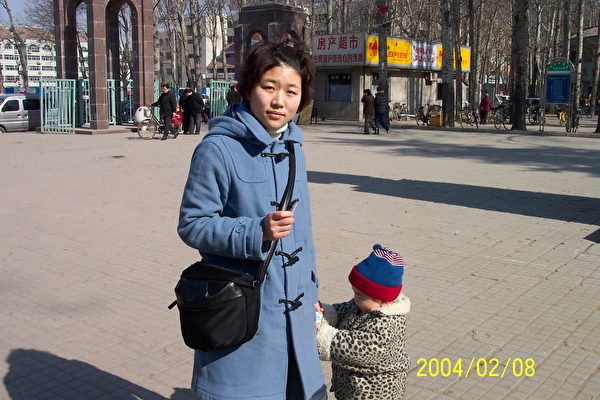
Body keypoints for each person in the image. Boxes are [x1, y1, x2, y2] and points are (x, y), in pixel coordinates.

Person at [177, 37, 327, 400]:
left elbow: (303, 233)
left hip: (296, 313)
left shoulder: (294, 148)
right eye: (269, 87)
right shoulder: (218, 149)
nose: (279, 101)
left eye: (291, 91)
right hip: (245, 311)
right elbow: (192, 224)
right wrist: (255, 231)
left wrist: (312, 291)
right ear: (248, 89)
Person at [316, 244, 410, 400]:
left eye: (360, 296)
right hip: (351, 391)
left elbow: (347, 347)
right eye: (354, 292)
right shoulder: (363, 305)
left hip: (375, 394)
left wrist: (320, 334)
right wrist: (324, 311)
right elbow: (342, 311)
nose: (355, 298)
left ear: (384, 300)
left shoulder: (386, 328)